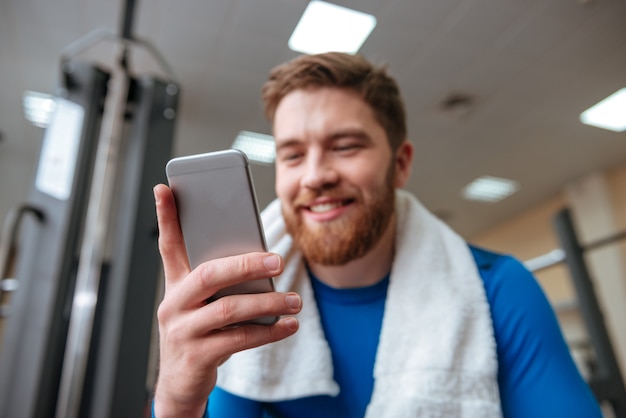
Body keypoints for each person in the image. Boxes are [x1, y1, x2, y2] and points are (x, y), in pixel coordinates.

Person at [152, 52, 602, 418]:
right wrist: (177, 397)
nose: (314, 176)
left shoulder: (498, 290)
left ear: (401, 164)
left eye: (345, 146)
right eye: (292, 155)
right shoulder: (246, 308)